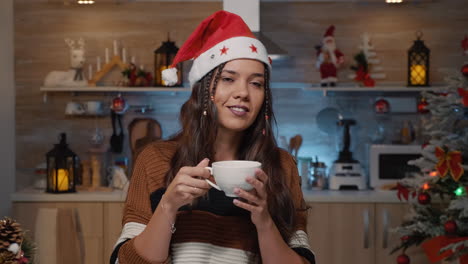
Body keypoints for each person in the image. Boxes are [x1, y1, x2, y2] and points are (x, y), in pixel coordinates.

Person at [110, 10, 315, 264]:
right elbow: (126, 261)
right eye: (228, 79)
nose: (243, 93)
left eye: (256, 83)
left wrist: (264, 222)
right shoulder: (155, 160)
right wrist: (169, 205)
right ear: (205, 91)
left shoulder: (281, 166)